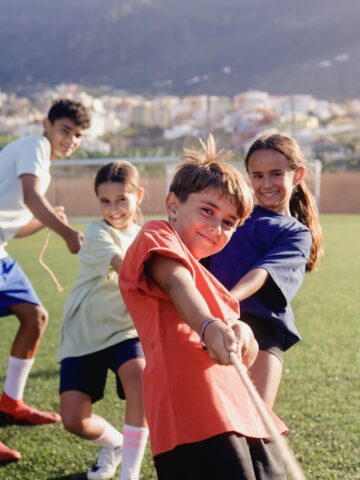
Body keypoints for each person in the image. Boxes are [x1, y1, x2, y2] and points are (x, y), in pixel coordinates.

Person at [119, 135, 288, 480]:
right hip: (192, 416)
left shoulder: (214, 285)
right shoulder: (157, 236)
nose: (216, 228)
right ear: (173, 205)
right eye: (207, 211)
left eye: (228, 223)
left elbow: (245, 352)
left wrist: (244, 334)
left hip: (242, 411)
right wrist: (210, 326)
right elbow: (175, 283)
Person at [0, 98, 91, 462]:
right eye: (65, 130)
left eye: (78, 135)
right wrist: (67, 232)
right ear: (47, 125)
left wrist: (47, 218)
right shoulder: (35, 146)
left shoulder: (38, 158)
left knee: (35, 316)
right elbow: (31, 197)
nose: (70, 139)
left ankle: (11, 401)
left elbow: (17, 227)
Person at [205, 133, 323, 408]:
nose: (266, 184)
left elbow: (261, 273)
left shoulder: (295, 232)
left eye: (275, 174)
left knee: (255, 425)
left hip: (262, 329)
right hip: (210, 321)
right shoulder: (234, 215)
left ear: (297, 175)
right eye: (257, 175)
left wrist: (226, 300)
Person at [59, 161, 148, 480]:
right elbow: (127, 268)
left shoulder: (146, 235)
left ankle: (130, 474)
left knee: (140, 381)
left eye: (122, 199)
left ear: (139, 195)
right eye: (105, 201)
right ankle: (115, 445)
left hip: (126, 331)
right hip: (84, 331)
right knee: (73, 419)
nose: (114, 209)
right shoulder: (97, 231)